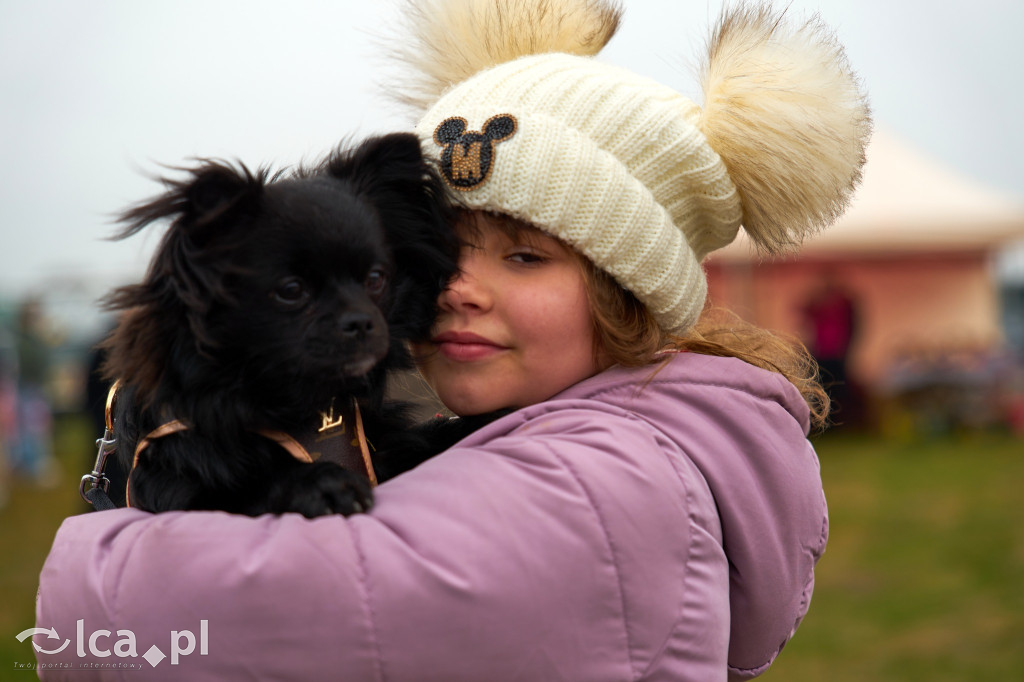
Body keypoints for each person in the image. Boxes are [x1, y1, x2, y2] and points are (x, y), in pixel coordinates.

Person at [34, 1, 870, 679]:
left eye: (525, 255)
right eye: (440, 253)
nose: (458, 287)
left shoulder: (601, 488)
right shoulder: (573, 430)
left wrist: (98, 554)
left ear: (630, 298)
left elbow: (230, 618)